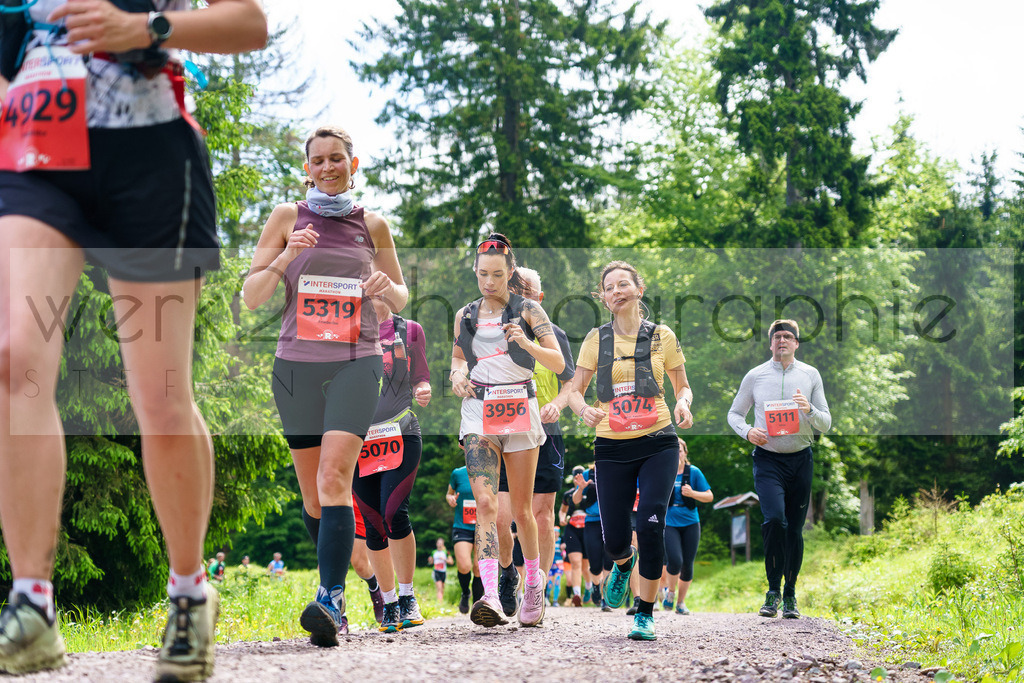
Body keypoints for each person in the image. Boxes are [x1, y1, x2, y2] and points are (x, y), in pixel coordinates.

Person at [0, 1, 267, 679]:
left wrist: (146, 29)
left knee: (161, 394)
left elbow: (249, 23)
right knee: (15, 358)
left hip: (149, 154)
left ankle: (190, 593)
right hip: (36, 148)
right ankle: (32, 604)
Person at [243, 125, 408, 647]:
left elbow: (401, 295)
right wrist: (285, 256)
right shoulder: (286, 217)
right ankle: (356, 585)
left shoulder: (372, 224)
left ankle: (330, 600)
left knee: (335, 477)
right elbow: (252, 296)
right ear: (307, 168)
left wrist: (386, 287)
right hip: (296, 367)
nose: (328, 167)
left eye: (337, 159)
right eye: (318, 161)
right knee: (315, 498)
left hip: (357, 361)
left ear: (352, 165)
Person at [567, 260, 693, 641]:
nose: (616, 291)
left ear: (639, 289)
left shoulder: (662, 336)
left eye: (623, 284)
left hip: (658, 441)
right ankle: (623, 564)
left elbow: (682, 386)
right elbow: (574, 391)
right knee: (616, 541)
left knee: (652, 524)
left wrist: (683, 404)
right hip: (611, 447)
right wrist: (583, 410)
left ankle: (645, 614)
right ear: (603, 297)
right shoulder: (596, 339)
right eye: (609, 287)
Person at [449, 234, 565, 628]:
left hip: (519, 407)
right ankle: (490, 596)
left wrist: (528, 345)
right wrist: (456, 376)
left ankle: (533, 585)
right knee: (485, 504)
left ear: (510, 271)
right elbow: (458, 360)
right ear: (475, 271)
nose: (489, 282)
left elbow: (557, 362)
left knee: (521, 512)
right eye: (483, 274)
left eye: (497, 274)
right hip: (478, 410)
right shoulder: (465, 314)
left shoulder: (529, 309)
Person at [727, 318, 831, 620]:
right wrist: (748, 431)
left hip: (800, 459)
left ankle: (790, 595)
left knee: (795, 530)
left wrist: (808, 409)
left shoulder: (810, 375)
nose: (782, 341)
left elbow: (826, 422)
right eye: (777, 337)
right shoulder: (755, 376)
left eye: (787, 336)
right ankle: (772, 590)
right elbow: (734, 414)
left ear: (796, 343)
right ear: (770, 343)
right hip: (768, 459)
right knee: (774, 520)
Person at [494, 267, 574, 619]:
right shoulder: (490, 330)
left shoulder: (555, 335)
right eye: (515, 290)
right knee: (502, 516)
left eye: (528, 292)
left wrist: (557, 403)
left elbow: (571, 382)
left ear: (539, 299)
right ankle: (507, 573)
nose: (521, 297)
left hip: (546, 433)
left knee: (541, 515)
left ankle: (534, 588)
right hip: (504, 431)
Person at [354, 296, 431, 633]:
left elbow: (421, 377)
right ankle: (388, 604)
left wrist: (424, 389)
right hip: (358, 440)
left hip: (401, 431)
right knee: (373, 523)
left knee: (394, 513)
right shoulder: (345, 332)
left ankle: (408, 596)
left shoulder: (409, 330)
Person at [662, 438, 712, 615]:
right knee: (675, 560)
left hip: (691, 522)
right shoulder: (663, 471)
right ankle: (671, 592)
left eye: (680, 450)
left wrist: (692, 493)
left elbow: (709, 496)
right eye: (673, 451)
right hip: (669, 522)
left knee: (688, 564)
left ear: (685, 453)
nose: (677, 454)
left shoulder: (694, 472)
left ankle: (681, 603)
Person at [447, 464, 484, 614]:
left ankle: (477, 604)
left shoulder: (490, 472)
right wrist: (450, 499)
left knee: (478, 568)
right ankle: (465, 592)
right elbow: (449, 494)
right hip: (462, 526)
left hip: (483, 526)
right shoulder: (458, 473)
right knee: (464, 566)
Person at [573, 465, 611, 610]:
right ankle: (596, 585)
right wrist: (581, 489)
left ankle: (605, 598)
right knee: (595, 565)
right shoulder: (587, 474)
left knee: (609, 561)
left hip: (610, 521)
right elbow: (576, 500)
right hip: (592, 522)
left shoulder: (614, 469)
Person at [559, 466, 590, 606]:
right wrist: (562, 518)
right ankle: (577, 595)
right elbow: (562, 510)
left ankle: (589, 587)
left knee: (586, 566)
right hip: (572, 530)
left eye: (581, 475)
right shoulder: (568, 494)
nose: (578, 478)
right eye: (576, 476)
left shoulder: (590, 491)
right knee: (576, 563)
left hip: (588, 529)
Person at [430, 538, 454, 604]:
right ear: (436, 544)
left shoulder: (446, 552)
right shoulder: (434, 552)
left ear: (443, 544)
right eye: (438, 543)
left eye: (441, 543)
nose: (439, 544)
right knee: (439, 588)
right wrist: (430, 560)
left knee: (442, 588)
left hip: (443, 572)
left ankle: (441, 601)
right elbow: (431, 562)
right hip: (436, 571)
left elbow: (451, 562)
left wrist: (444, 559)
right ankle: (439, 603)